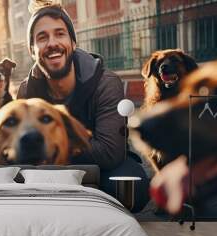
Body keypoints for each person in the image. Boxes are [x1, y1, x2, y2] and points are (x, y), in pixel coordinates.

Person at [17, 3, 149, 212]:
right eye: (42, 38)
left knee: (134, 186)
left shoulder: (106, 83)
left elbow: (108, 153)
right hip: (49, 169)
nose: (52, 43)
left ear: (73, 42)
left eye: (60, 34)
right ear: (32, 51)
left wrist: (51, 143)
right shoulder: (26, 90)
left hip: (100, 167)